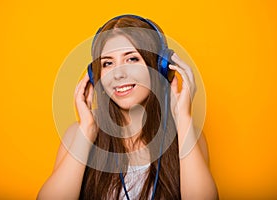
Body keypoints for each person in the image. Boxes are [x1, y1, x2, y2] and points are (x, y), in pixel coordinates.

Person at [37, 15, 218, 200]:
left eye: (132, 59)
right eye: (108, 63)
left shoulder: (186, 134)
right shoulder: (78, 134)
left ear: (160, 66)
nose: (118, 74)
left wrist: (183, 119)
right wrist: (88, 129)